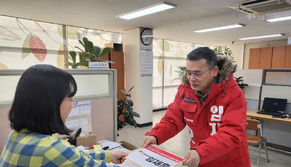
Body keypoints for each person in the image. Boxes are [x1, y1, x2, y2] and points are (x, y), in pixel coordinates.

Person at [0, 64, 128, 167]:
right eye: (70, 100)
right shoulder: (50, 149)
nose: (71, 106)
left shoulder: (15, 136)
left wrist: (107, 155)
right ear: (50, 104)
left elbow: (74, 154)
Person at [142, 47, 251, 167]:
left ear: (214, 71)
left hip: (228, 161)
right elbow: (173, 120)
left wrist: (201, 152)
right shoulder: (185, 91)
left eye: (197, 73)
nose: (191, 79)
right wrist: (155, 136)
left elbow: (231, 133)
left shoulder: (233, 94)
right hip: (199, 158)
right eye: (188, 73)